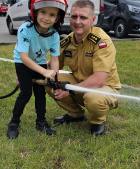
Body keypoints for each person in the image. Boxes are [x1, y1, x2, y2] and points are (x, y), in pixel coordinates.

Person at [46, 0, 121, 136]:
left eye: (83, 17)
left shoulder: (102, 41)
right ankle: (75, 114)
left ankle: (97, 121)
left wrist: (69, 91)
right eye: (74, 16)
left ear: (93, 20)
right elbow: (50, 66)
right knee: (48, 79)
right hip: (80, 87)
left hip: (106, 90)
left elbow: (99, 80)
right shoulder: (67, 41)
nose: (77, 21)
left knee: (93, 98)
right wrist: (27, 74)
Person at [6, 0, 68, 139]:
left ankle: (41, 122)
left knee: (40, 94)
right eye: (43, 12)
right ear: (35, 12)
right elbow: (24, 58)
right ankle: (14, 123)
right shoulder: (25, 29)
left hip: (39, 63)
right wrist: (44, 72)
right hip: (23, 63)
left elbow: (54, 59)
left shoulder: (54, 35)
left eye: (52, 14)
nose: (46, 18)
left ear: (57, 18)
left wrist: (55, 80)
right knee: (26, 93)